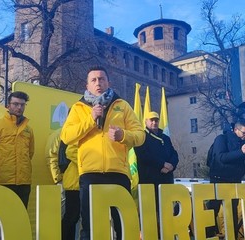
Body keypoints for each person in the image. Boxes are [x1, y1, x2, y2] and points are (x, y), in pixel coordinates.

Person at [60, 66, 145, 240]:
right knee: (90, 227)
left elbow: (141, 135)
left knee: (123, 225)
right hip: (90, 174)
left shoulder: (122, 105)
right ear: (87, 84)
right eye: (94, 80)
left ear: (108, 82)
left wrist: (124, 135)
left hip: (118, 173)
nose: (98, 83)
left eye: (101, 79)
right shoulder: (78, 108)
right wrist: (90, 119)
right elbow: (66, 136)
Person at [0, 91, 34, 240]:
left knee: (18, 219)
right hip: (2, 182)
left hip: (23, 183)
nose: (19, 108)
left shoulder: (29, 130)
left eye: (22, 105)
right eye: (16, 104)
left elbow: (30, 153)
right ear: (8, 105)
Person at [206, 119, 245, 239]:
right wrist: (241, 152)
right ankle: (208, 234)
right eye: (243, 133)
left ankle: (231, 235)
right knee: (213, 208)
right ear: (235, 130)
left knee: (232, 211)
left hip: (235, 181)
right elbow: (221, 157)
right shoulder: (221, 139)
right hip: (219, 179)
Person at [134, 111, 179, 214]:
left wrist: (171, 166)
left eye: (156, 120)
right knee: (150, 213)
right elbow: (143, 156)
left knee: (166, 212)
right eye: (152, 120)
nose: (154, 122)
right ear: (146, 122)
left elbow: (174, 154)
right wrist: (162, 164)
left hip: (166, 181)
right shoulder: (142, 137)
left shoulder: (165, 138)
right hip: (149, 182)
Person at [45, 129, 81, 240]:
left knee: (75, 217)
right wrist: (58, 179)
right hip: (68, 182)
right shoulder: (59, 134)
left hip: (81, 182)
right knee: (69, 216)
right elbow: (51, 157)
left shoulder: (83, 132)